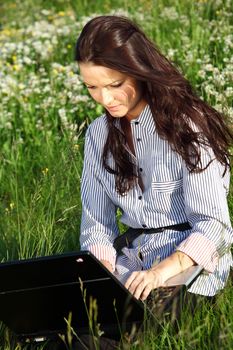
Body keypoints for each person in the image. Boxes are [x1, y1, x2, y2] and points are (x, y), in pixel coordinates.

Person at [74, 15, 233, 349]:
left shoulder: (188, 126)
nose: (105, 98)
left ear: (137, 69)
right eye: (92, 87)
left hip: (188, 270)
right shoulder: (97, 135)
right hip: (129, 267)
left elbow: (214, 226)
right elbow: (96, 226)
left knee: (121, 339)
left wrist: (161, 272)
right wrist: (102, 275)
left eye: (115, 84)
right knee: (72, 331)